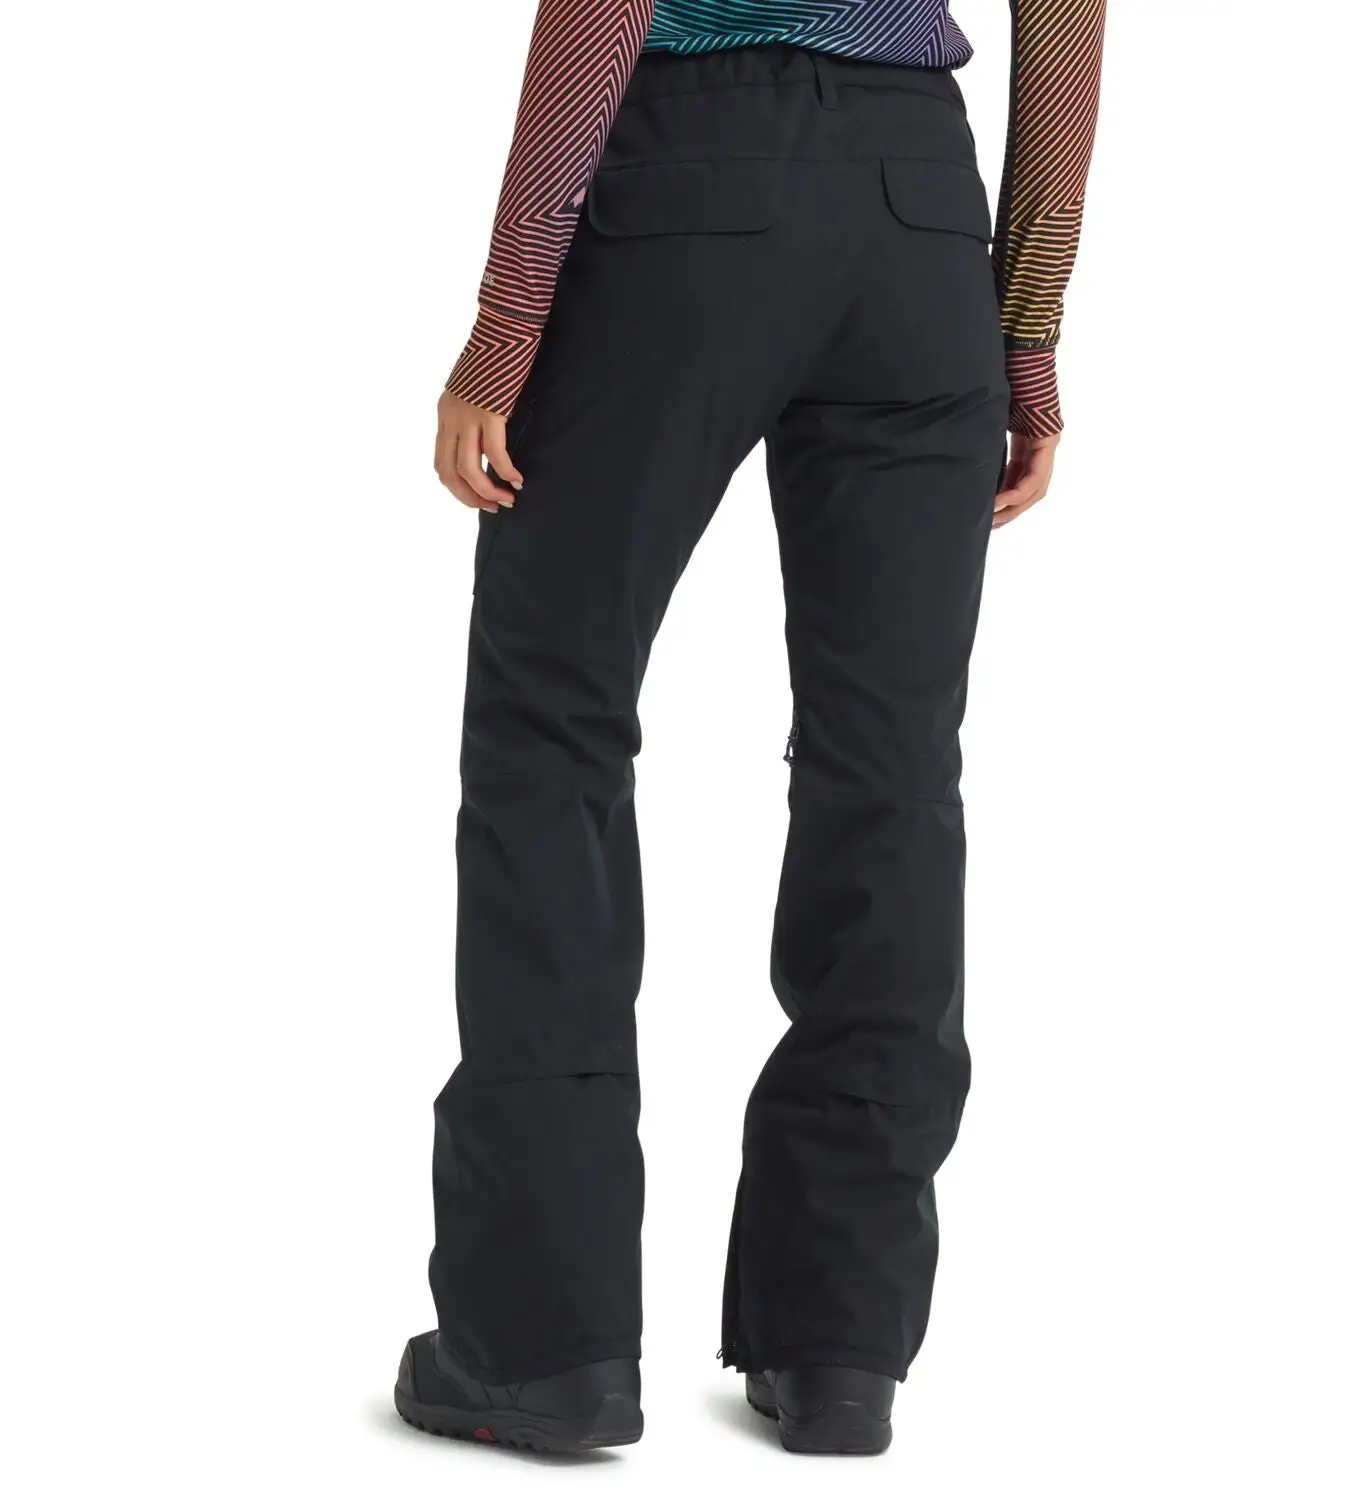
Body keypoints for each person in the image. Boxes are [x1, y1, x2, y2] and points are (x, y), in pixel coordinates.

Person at [397, 0, 1106, 1456]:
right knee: (890, 767)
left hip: (688, 183)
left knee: (552, 727)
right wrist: (1027, 337)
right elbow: (1064, 20)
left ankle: (542, 1345)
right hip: (922, 219)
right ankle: (839, 1342)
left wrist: (508, 320)